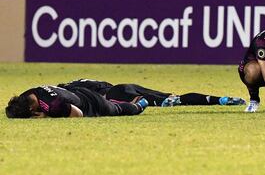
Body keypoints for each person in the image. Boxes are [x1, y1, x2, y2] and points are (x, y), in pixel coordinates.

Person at [57, 79, 246, 107]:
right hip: (125, 86)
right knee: (176, 98)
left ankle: (220, 100)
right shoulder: (87, 80)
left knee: (172, 103)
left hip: (116, 93)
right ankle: (220, 99)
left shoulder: (72, 89)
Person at [5, 85, 148, 119]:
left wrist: (47, 116)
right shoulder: (28, 94)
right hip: (75, 91)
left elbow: (78, 115)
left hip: (91, 103)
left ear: (31, 110)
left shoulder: (53, 106)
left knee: (116, 110)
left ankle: (140, 104)